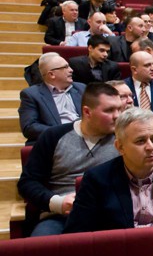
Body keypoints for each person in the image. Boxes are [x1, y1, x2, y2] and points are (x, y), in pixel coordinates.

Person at [64, 106, 153, 244]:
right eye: (141, 141)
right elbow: (77, 236)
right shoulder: (97, 180)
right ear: (120, 147)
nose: (151, 147)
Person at [18, 83, 121, 236]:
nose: (117, 116)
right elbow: (27, 183)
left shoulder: (123, 139)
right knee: (40, 250)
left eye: (120, 109)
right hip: (61, 216)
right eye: (109, 110)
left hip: (109, 214)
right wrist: (58, 203)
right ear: (87, 112)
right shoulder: (53, 136)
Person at [19, 53, 85, 144]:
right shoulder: (31, 95)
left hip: (85, 138)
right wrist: (63, 131)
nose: (71, 70)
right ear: (52, 74)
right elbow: (29, 127)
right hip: (56, 141)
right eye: (65, 67)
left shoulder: (81, 88)